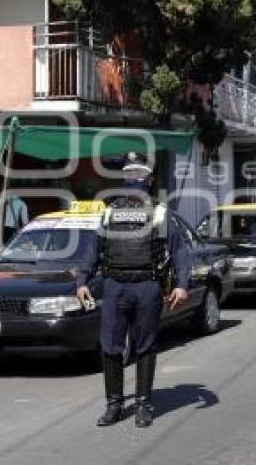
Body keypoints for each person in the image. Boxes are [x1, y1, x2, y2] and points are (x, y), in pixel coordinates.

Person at [76, 152, 190, 428]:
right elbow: (93, 251)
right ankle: (114, 405)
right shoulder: (110, 212)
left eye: (139, 175)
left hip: (147, 287)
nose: (134, 180)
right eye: (129, 175)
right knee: (110, 347)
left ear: (149, 179)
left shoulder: (161, 213)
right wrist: (81, 281)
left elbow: (180, 252)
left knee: (145, 346)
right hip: (114, 286)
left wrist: (183, 285)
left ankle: (143, 404)